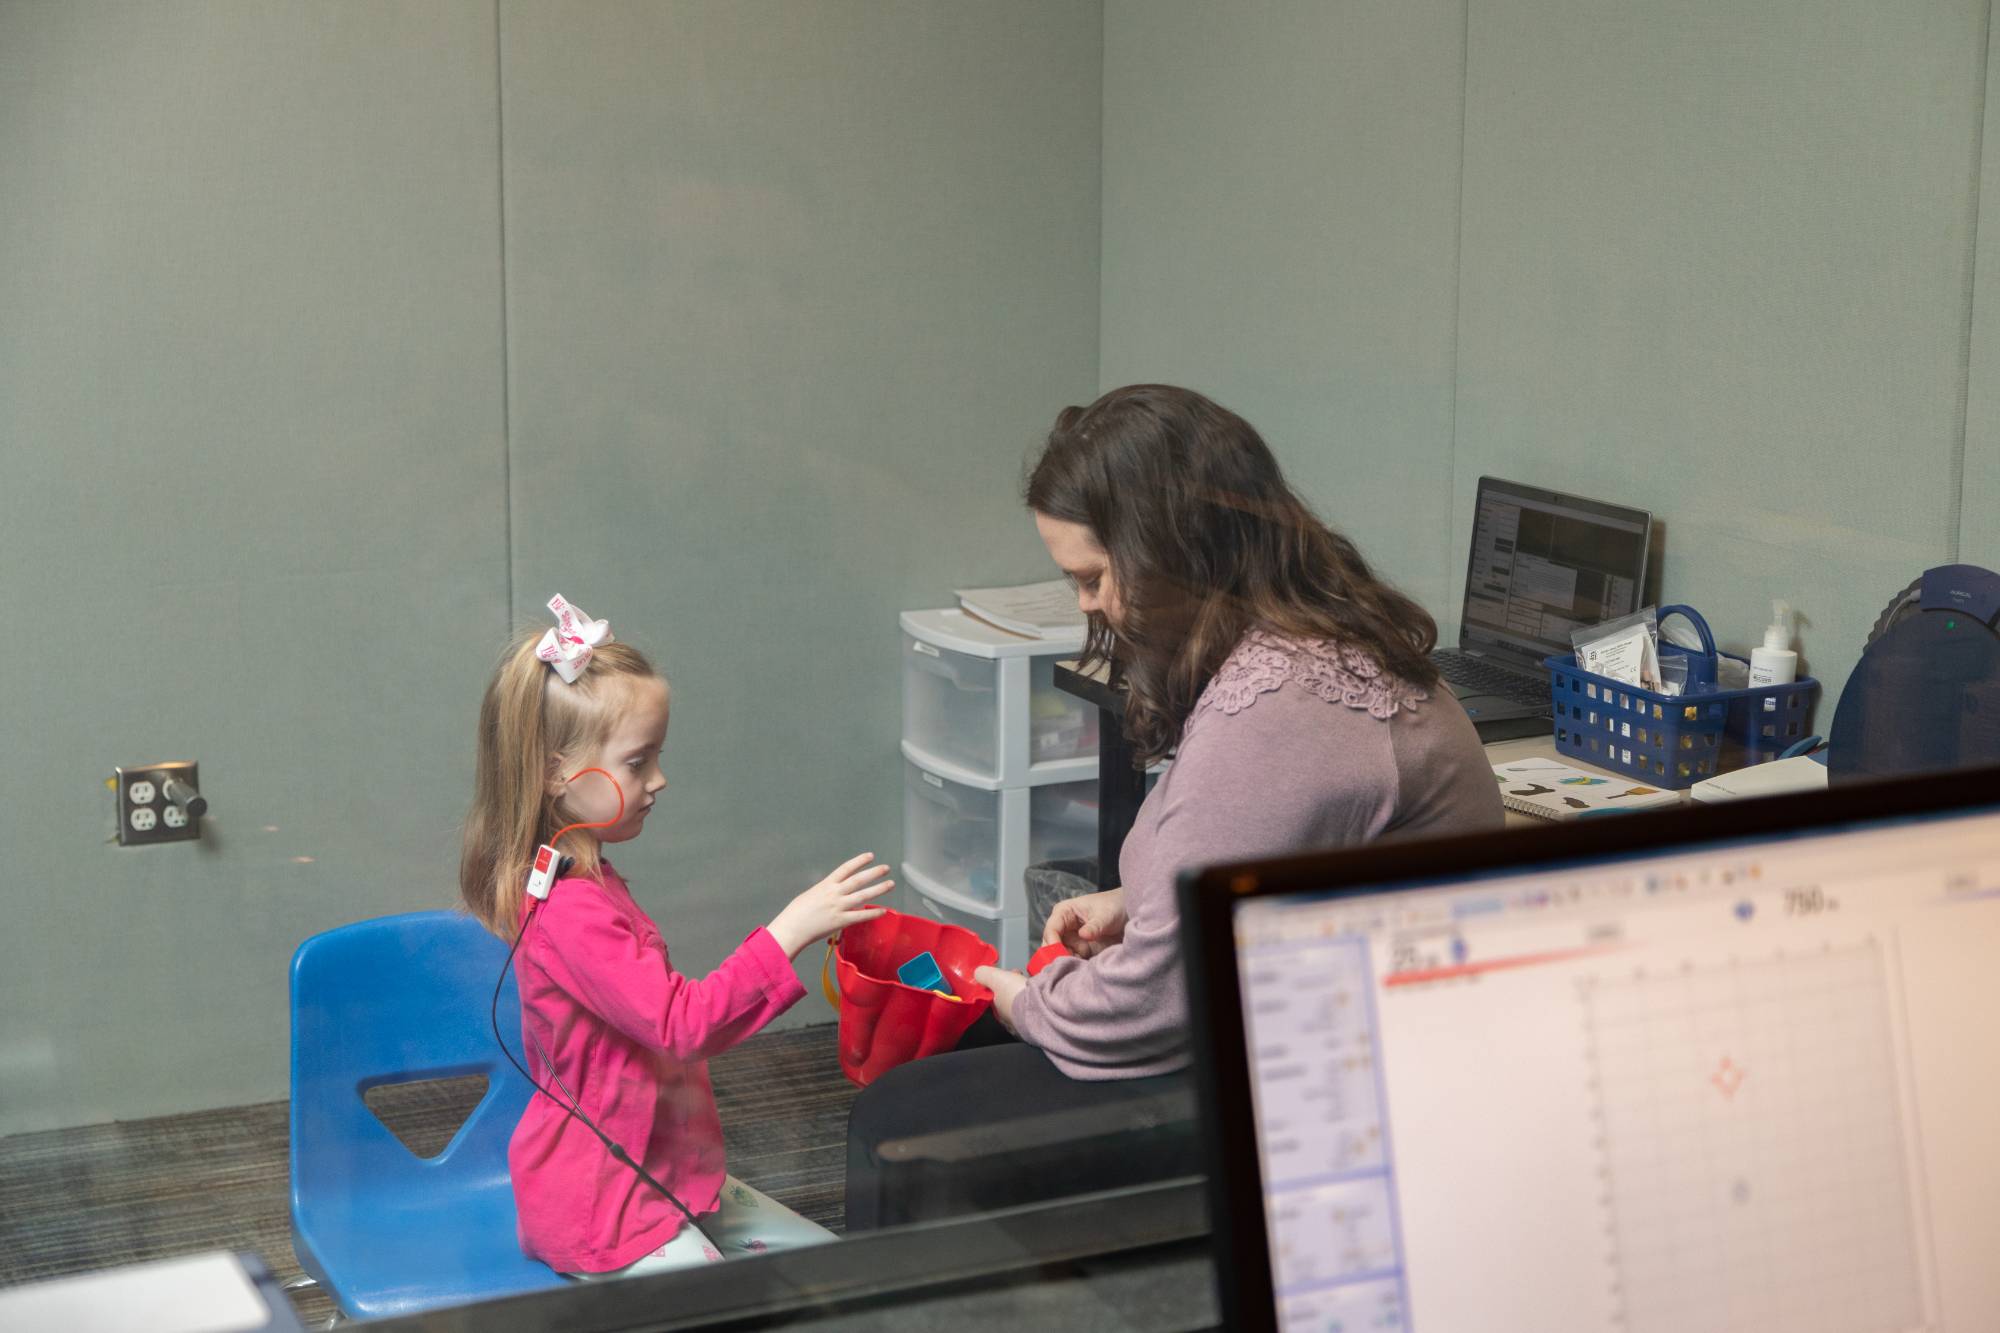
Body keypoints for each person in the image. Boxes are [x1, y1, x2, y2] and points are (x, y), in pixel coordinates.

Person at [846, 385, 1503, 1224]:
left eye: (1091, 577)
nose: (1084, 604)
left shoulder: (1283, 708)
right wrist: (1135, 901)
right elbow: (1256, 848)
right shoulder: (1300, 649)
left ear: (1168, 551)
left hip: (1347, 1086)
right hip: (1309, 1019)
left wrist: (1023, 1000)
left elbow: (1149, 1006)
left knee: (898, 1121)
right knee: (952, 1057)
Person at [461, 598, 893, 1278]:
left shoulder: (589, 880)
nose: (659, 779)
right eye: (638, 761)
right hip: (605, 1208)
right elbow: (679, 1022)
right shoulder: (571, 912)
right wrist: (792, 929)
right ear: (555, 773)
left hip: (663, 1178)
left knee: (833, 1276)